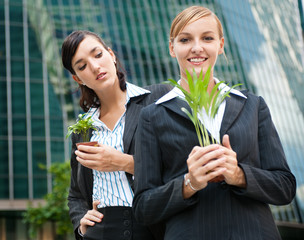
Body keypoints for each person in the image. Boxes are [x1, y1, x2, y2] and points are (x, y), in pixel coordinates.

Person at [133, 6, 296, 240]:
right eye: (185, 39)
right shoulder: (152, 116)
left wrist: (238, 174)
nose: (197, 47)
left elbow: (285, 187)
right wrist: (189, 183)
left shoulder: (252, 105)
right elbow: (143, 208)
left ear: (220, 45)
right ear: (172, 48)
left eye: (207, 38)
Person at [61, 30, 171, 240]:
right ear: (78, 78)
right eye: (82, 66)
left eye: (98, 54)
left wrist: (125, 162)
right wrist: (81, 226)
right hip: (99, 232)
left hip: (149, 226)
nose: (94, 67)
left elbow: (179, 165)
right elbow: (75, 194)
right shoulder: (83, 129)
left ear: (111, 54)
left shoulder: (156, 99)